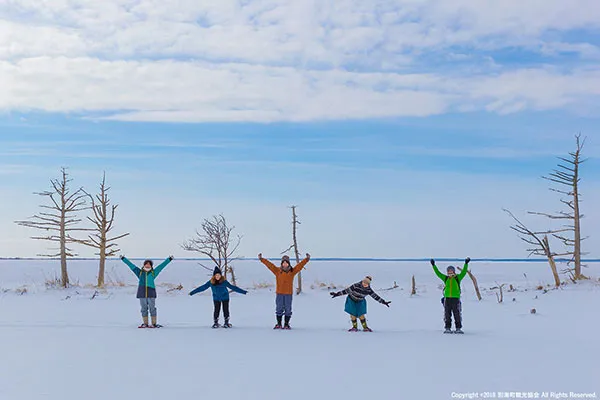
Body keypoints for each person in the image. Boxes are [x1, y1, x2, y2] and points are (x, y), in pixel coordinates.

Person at [258, 253, 310, 329]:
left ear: (288, 264)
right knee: (279, 309)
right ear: (282, 264)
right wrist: (261, 259)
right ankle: (279, 324)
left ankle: (286, 324)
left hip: (288, 294)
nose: (285, 264)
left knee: (288, 309)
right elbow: (270, 265)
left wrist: (306, 259)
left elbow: (299, 266)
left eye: (286, 263)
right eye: (283, 263)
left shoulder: (292, 271)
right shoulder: (277, 271)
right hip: (279, 293)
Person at [120, 255, 174, 328]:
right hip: (142, 293)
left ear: (151, 266)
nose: (147, 265)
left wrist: (169, 259)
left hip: (151, 292)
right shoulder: (139, 272)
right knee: (143, 309)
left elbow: (161, 266)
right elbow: (131, 265)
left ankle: (154, 324)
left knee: (152, 308)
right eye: (146, 264)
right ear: (144, 265)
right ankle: (145, 323)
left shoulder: (153, 272)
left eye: (149, 264)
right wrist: (123, 259)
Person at [430, 257, 470, 334]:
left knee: (457, 314)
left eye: (451, 271)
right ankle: (447, 328)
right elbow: (438, 273)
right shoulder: (445, 278)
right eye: (448, 271)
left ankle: (458, 328)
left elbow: (464, 272)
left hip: (456, 299)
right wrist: (433, 265)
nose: (450, 272)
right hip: (447, 299)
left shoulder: (458, 277)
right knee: (447, 314)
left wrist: (466, 263)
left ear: (454, 271)